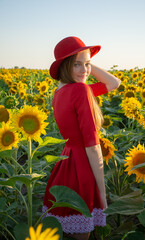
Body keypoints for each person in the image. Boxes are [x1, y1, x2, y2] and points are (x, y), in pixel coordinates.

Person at [43, 36, 121, 240]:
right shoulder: (80, 91)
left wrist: (84, 62)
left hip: (65, 164)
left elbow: (114, 83)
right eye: (76, 64)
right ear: (64, 65)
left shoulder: (60, 92)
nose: (84, 70)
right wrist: (103, 195)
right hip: (83, 168)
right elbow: (92, 145)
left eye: (87, 64)